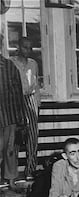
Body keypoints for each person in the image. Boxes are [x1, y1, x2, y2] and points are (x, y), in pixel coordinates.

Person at [10, 36, 40, 180]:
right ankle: (12, 174)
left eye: (30, 47)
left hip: (31, 100)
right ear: (18, 47)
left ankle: (30, 171)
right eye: (24, 47)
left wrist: (37, 104)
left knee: (33, 138)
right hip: (15, 102)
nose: (27, 50)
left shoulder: (33, 64)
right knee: (14, 138)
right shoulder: (10, 63)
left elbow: (36, 85)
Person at [0, 33, 25, 192]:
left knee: (10, 151)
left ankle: (11, 181)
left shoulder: (9, 67)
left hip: (8, 117)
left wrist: (19, 118)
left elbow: (18, 94)